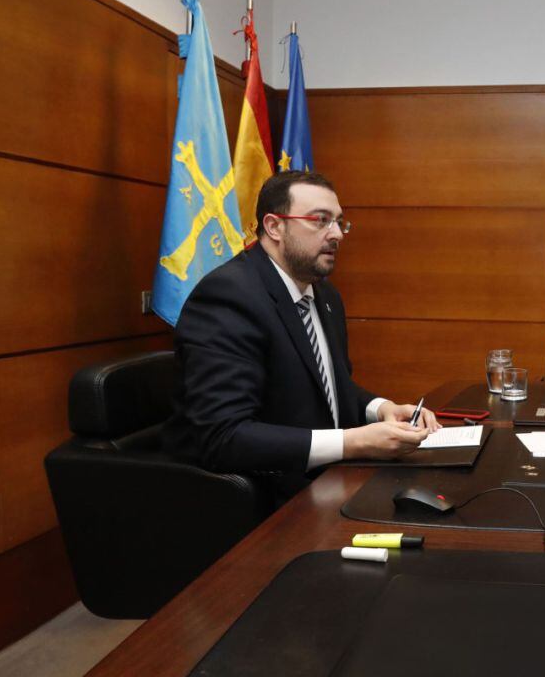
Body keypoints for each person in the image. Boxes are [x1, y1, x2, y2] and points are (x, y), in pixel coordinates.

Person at [164, 171, 440, 505]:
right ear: (274, 227)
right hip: (265, 499)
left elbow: (326, 385)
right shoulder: (229, 296)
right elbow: (224, 437)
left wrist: (381, 409)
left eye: (339, 222)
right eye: (320, 220)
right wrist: (353, 442)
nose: (336, 234)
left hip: (328, 483)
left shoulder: (323, 295)